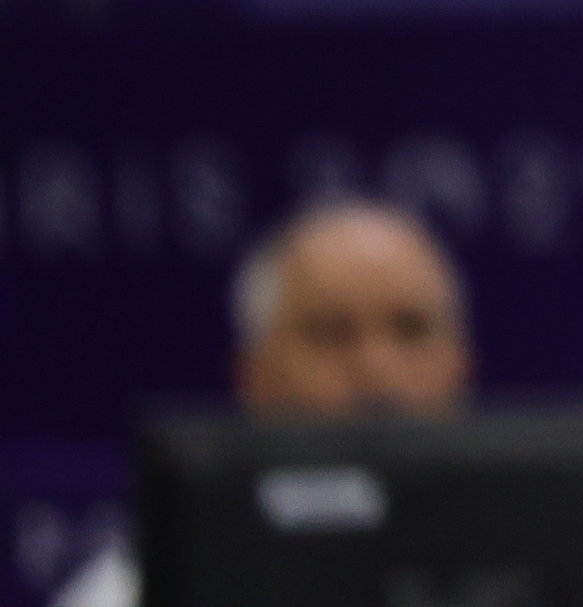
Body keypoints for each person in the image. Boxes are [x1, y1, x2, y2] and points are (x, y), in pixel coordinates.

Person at [45, 201, 474, 607]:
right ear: (254, 376)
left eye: (411, 330)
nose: (377, 370)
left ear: (462, 363)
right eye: (332, 333)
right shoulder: (158, 576)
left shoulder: (532, 543)